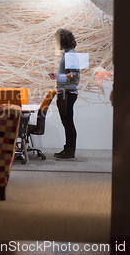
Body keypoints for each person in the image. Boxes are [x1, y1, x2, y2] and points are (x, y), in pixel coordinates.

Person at [48, 28, 80, 160]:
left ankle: (69, 151)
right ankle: (68, 149)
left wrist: (58, 77)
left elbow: (74, 75)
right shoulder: (68, 54)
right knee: (67, 122)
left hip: (67, 92)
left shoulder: (70, 55)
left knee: (68, 122)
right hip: (65, 92)